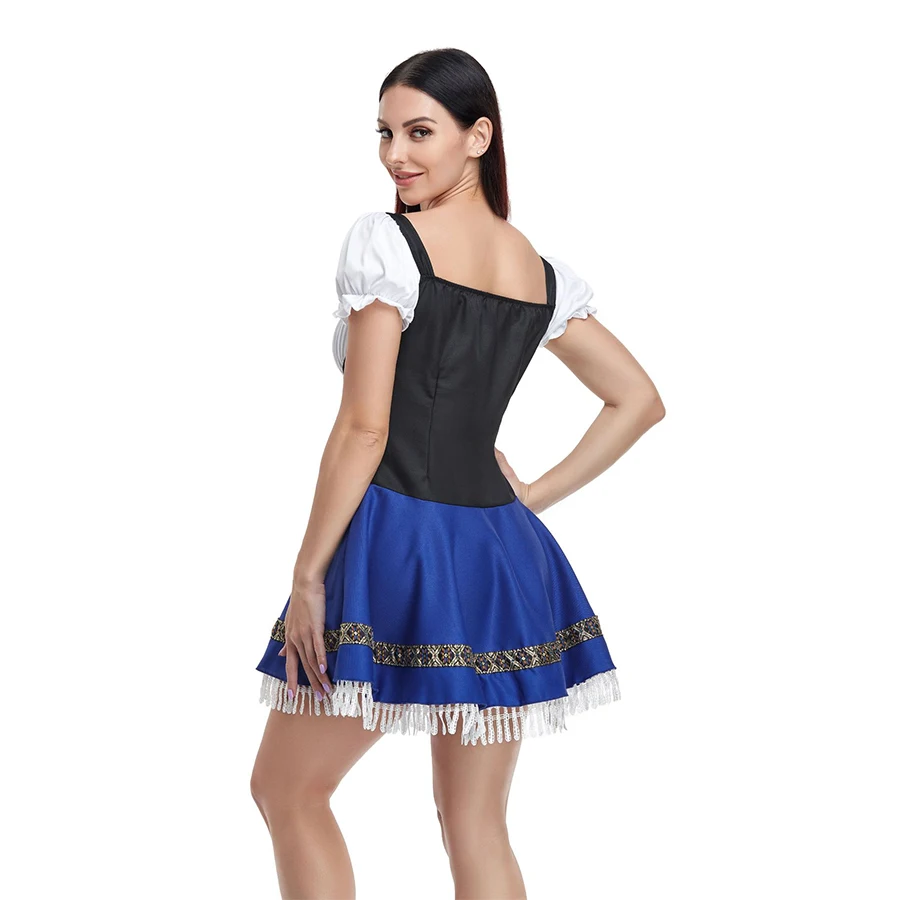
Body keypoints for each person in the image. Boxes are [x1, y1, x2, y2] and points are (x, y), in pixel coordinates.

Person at [250, 48, 665, 900]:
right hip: (499, 556)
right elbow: (637, 400)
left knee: (288, 790)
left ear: (479, 137)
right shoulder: (537, 271)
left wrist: (308, 575)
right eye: (385, 133)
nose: (395, 155)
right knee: (473, 822)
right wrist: (528, 499)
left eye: (419, 132)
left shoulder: (390, 245)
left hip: (396, 539)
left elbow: (365, 429)